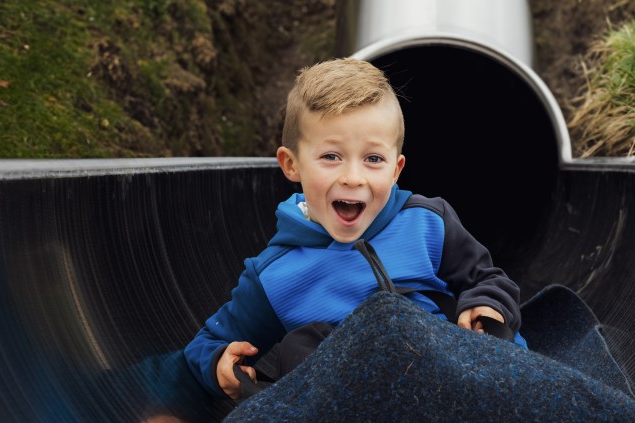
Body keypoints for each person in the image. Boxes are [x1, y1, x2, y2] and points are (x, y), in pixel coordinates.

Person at [184, 58, 525, 400]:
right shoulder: (276, 275)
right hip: (361, 407)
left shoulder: (426, 223)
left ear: (396, 169)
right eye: (331, 156)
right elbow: (208, 342)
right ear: (292, 164)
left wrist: (485, 306)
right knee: (300, 346)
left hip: (454, 379)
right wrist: (218, 364)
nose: (352, 177)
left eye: (373, 159)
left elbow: (487, 280)